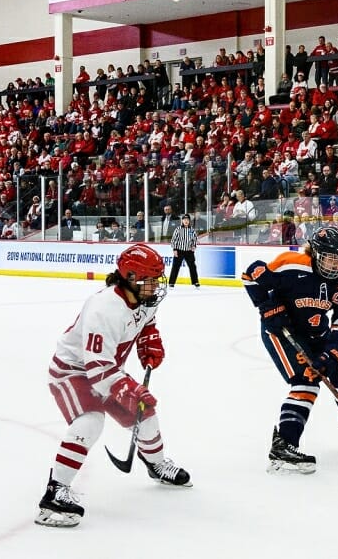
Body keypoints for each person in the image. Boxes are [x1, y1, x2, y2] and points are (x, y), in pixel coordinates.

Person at [37, 245, 190, 527]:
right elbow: (97, 370)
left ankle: (156, 465)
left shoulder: (144, 297)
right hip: (72, 371)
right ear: (131, 277)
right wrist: (130, 390)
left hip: (106, 370)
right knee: (90, 421)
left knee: (146, 415)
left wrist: (149, 339)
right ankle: (54, 494)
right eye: (151, 279)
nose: (157, 286)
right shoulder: (104, 309)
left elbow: (146, 321)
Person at [242, 226, 338, 474]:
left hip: (317, 335)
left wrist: (332, 354)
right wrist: (267, 307)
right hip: (282, 333)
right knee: (306, 382)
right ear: (315, 253)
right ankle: (284, 445)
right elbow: (251, 274)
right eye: (329, 256)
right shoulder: (290, 264)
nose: (335, 263)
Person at [168, 213, 200, 288]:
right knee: (175, 267)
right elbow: (174, 240)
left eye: (187, 220)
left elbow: (195, 239)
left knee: (192, 267)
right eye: (184, 220)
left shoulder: (192, 230)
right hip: (179, 250)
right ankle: (171, 282)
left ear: (189, 221)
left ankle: (195, 282)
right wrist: (174, 249)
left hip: (189, 251)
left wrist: (194, 246)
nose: (186, 221)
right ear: (182, 221)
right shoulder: (178, 229)